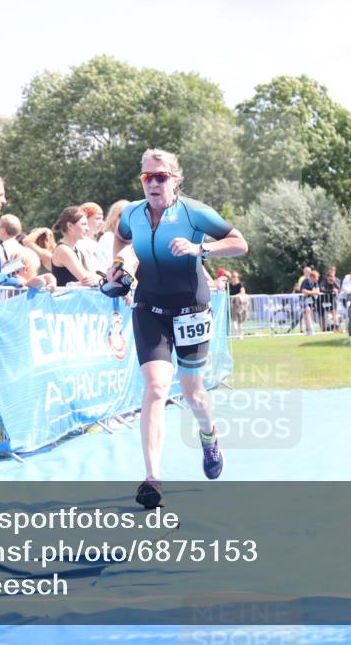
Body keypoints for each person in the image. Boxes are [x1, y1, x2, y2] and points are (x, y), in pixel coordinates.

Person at [107, 148, 247, 508]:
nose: (153, 183)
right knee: (154, 388)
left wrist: (200, 249)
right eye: (147, 177)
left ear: (174, 179)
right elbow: (121, 239)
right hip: (149, 308)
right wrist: (120, 265)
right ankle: (153, 479)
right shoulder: (132, 214)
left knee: (193, 393)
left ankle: (209, 435)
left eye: (160, 176)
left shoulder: (193, 212)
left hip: (190, 310)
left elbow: (239, 243)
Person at [51, 206, 101, 287]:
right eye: (84, 224)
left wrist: (99, 278)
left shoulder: (78, 249)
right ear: (70, 226)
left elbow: (93, 275)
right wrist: (101, 278)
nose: (87, 228)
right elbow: (87, 279)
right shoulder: (63, 250)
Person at [77, 202, 110, 272]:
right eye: (98, 218)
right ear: (84, 219)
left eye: (102, 219)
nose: (102, 223)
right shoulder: (77, 244)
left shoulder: (93, 243)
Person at [98, 200, 131, 268]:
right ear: (115, 217)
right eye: (122, 215)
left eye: (130, 214)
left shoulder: (135, 238)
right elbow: (109, 264)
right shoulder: (108, 237)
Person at [228, 270, 249, 338]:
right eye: (233, 276)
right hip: (233, 305)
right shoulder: (229, 285)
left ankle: (240, 335)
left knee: (240, 321)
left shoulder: (240, 285)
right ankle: (235, 335)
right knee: (234, 320)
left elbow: (242, 292)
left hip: (240, 305)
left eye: (236, 276)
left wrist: (234, 296)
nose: (235, 278)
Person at [300, 268, 320, 334]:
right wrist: (313, 292)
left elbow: (317, 290)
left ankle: (308, 329)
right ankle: (310, 329)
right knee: (307, 311)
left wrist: (312, 292)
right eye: (316, 277)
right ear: (312, 277)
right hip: (304, 299)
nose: (317, 279)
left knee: (309, 313)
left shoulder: (315, 282)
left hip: (311, 300)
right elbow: (303, 291)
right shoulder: (306, 281)